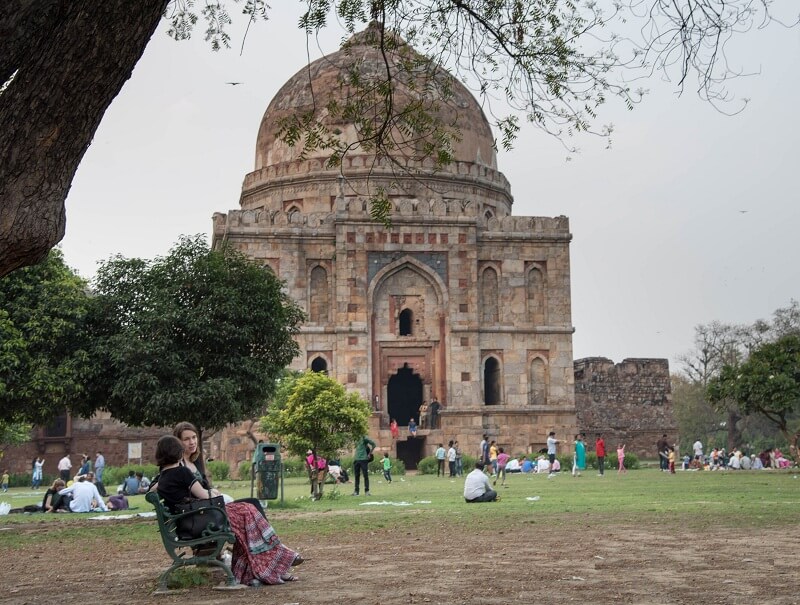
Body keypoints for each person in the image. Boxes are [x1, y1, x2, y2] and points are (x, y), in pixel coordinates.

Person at [154, 435, 303, 585]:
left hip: (188, 522)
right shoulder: (181, 472)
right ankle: (274, 562)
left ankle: (273, 564)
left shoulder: (162, 478)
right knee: (247, 510)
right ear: (178, 452)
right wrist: (216, 493)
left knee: (248, 509)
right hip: (204, 520)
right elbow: (204, 495)